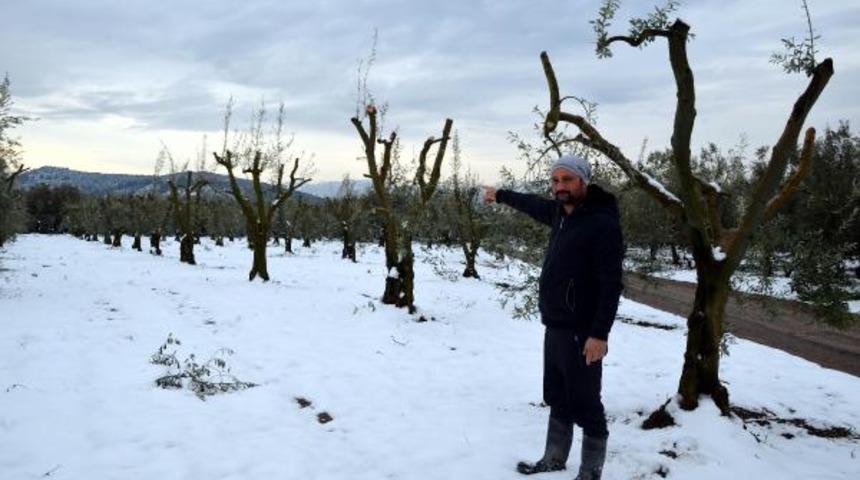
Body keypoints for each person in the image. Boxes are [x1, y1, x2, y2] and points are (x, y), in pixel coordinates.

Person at [484, 154, 623, 480]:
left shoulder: (602, 223)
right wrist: (500, 195)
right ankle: (554, 458)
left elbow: (611, 284)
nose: (560, 186)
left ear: (583, 182)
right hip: (556, 326)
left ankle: (590, 472)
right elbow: (531, 204)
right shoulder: (561, 214)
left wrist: (599, 334)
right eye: (556, 180)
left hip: (584, 331)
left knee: (587, 402)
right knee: (557, 395)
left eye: (567, 180)